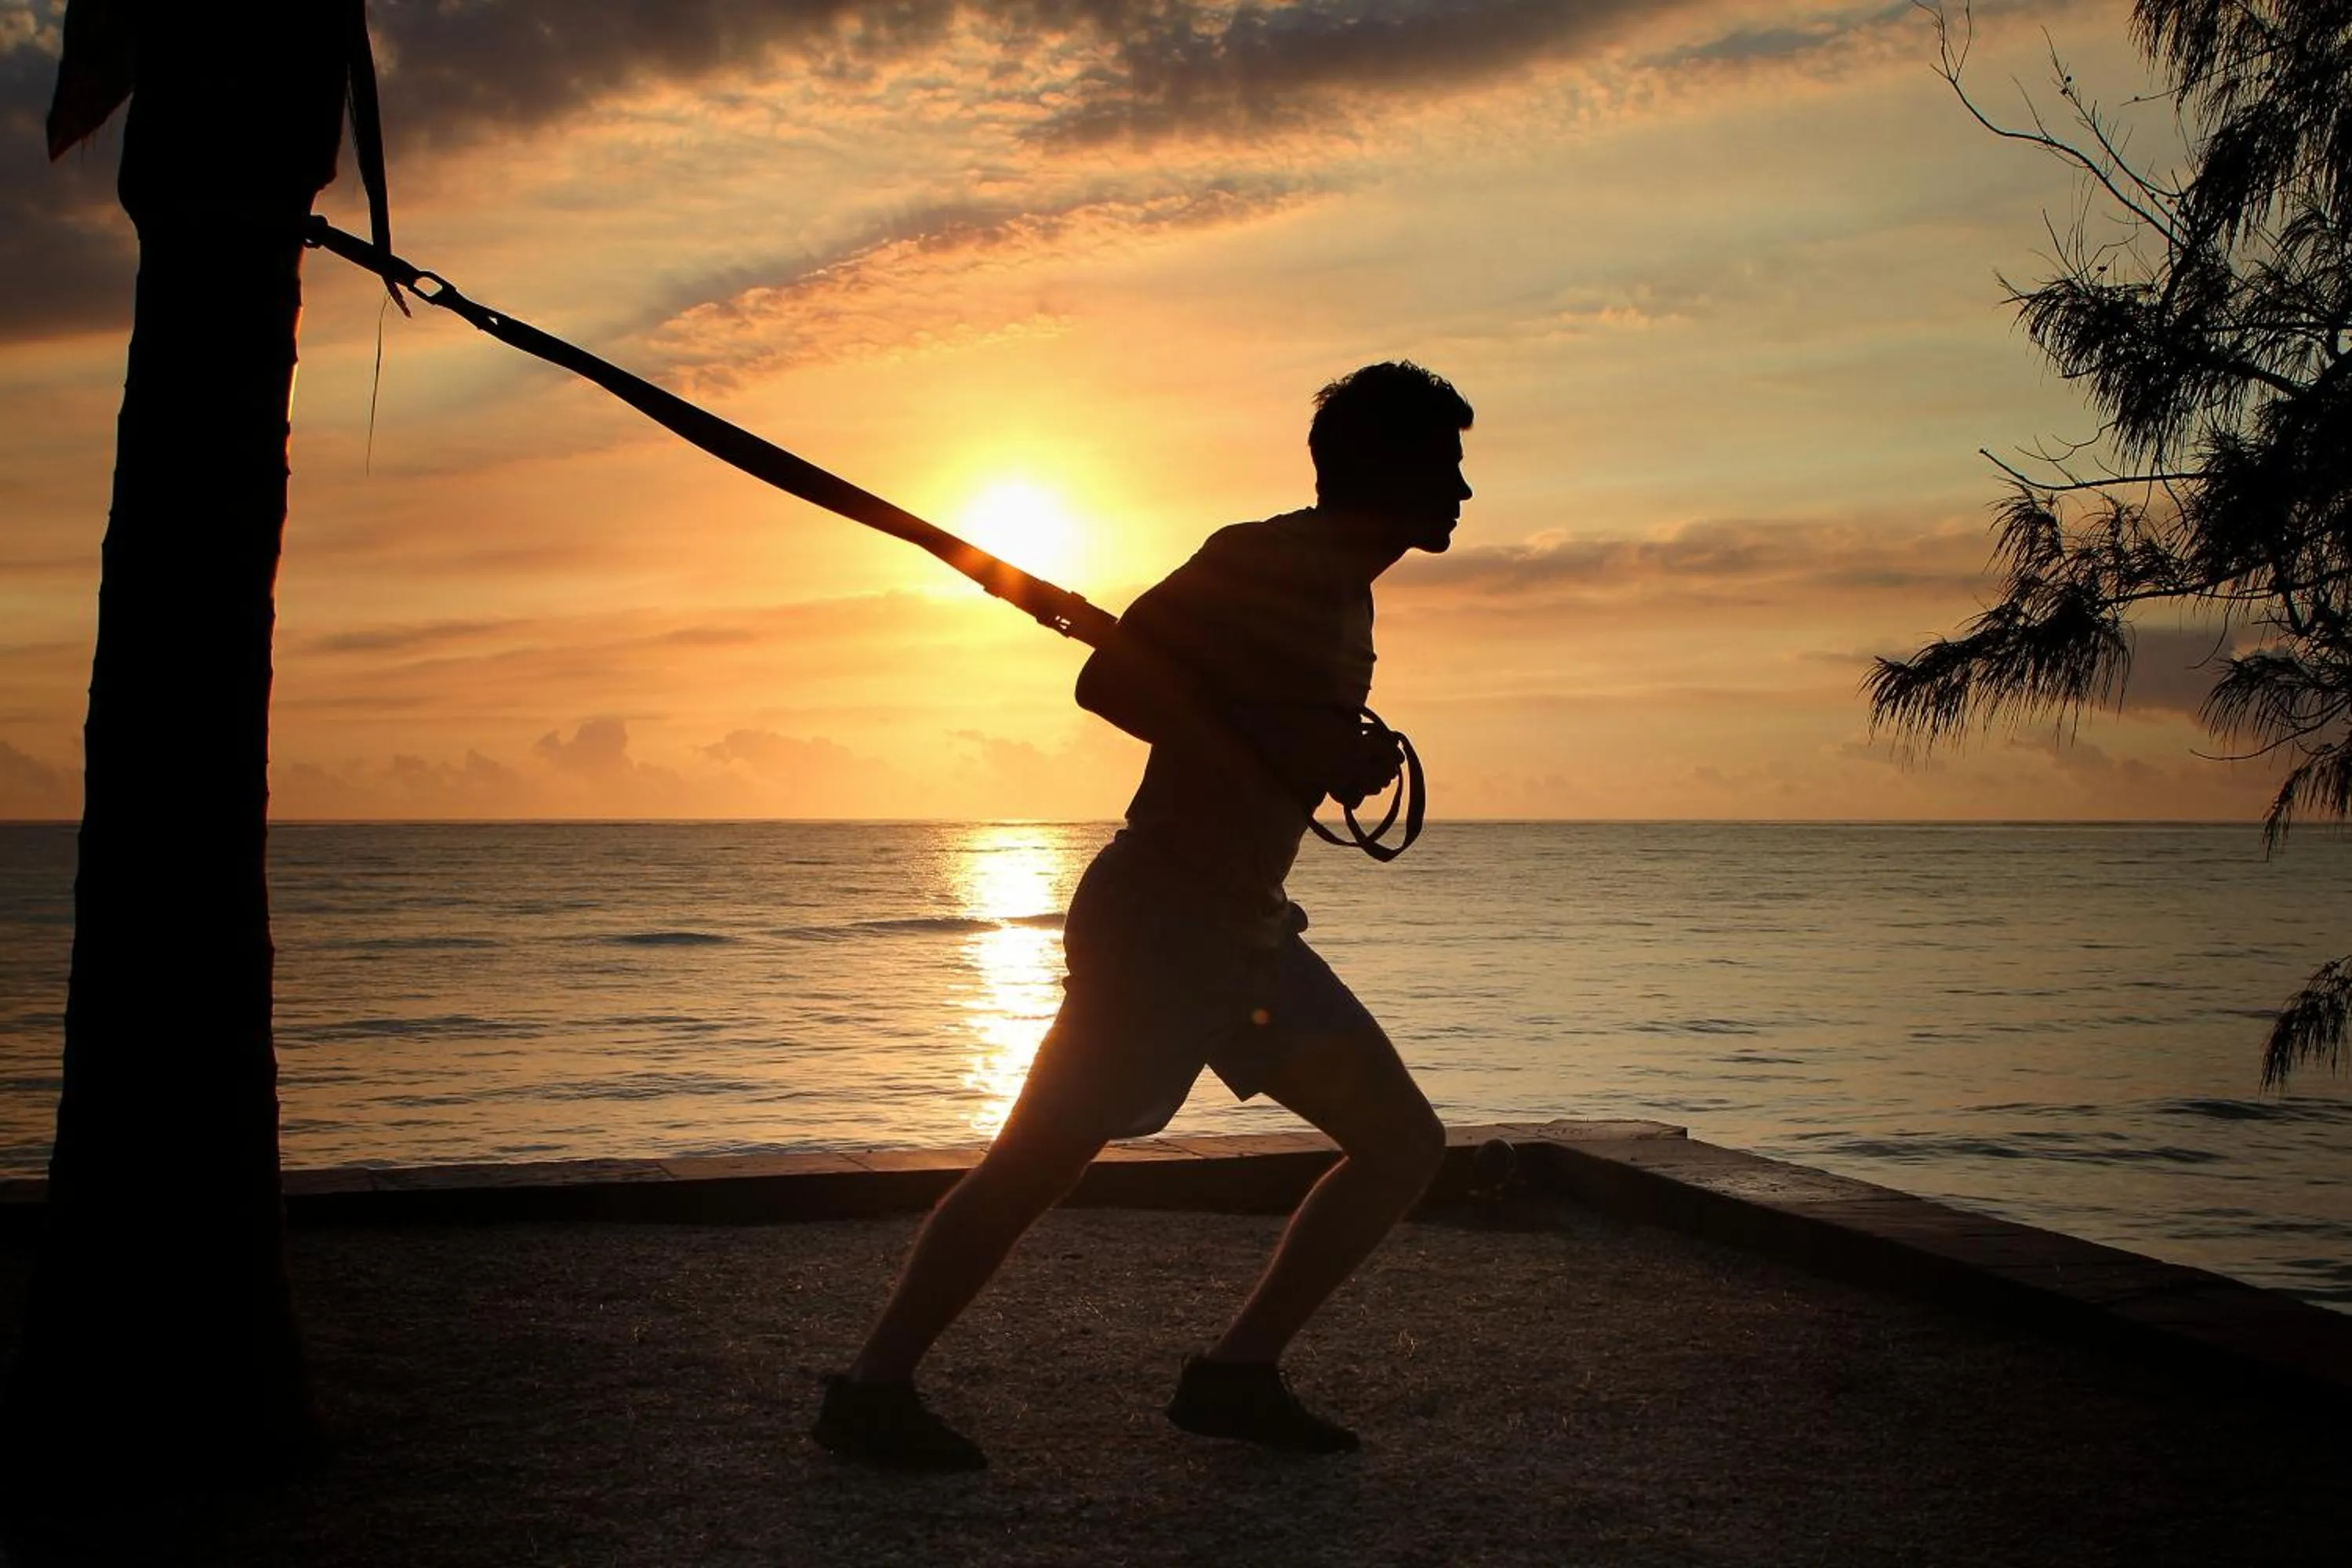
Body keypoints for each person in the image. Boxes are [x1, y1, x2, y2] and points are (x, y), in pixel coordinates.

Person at [812, 361, 1474, 1472]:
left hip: (1245, 930)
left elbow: (1267, 729)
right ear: (1391, 469)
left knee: (1404, 1145)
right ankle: (870, 1391)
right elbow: (1111, 685)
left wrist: (1325, 754)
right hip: (1163, 926)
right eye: (1445, 464)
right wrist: (1279, 748)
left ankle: (1236, 1377)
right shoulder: (1261, 557)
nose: (1462, 488)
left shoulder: (1349, 589)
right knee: (1036, 1164)